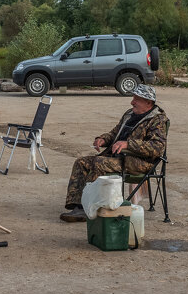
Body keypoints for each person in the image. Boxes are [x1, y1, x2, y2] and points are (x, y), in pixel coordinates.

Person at [60, 83, 168, 221]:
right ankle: (78, 206)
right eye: (133, 97)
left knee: (99, 163)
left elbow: (157, 147)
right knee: (81, 162)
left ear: (148, 102)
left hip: (139, 162)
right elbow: (115, 133)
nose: (132, 102)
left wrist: (129, 144)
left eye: (136, 99)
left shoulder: (157, 120)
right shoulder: (130, 114)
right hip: (118, 158)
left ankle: (92, 207)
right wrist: (103, 139)